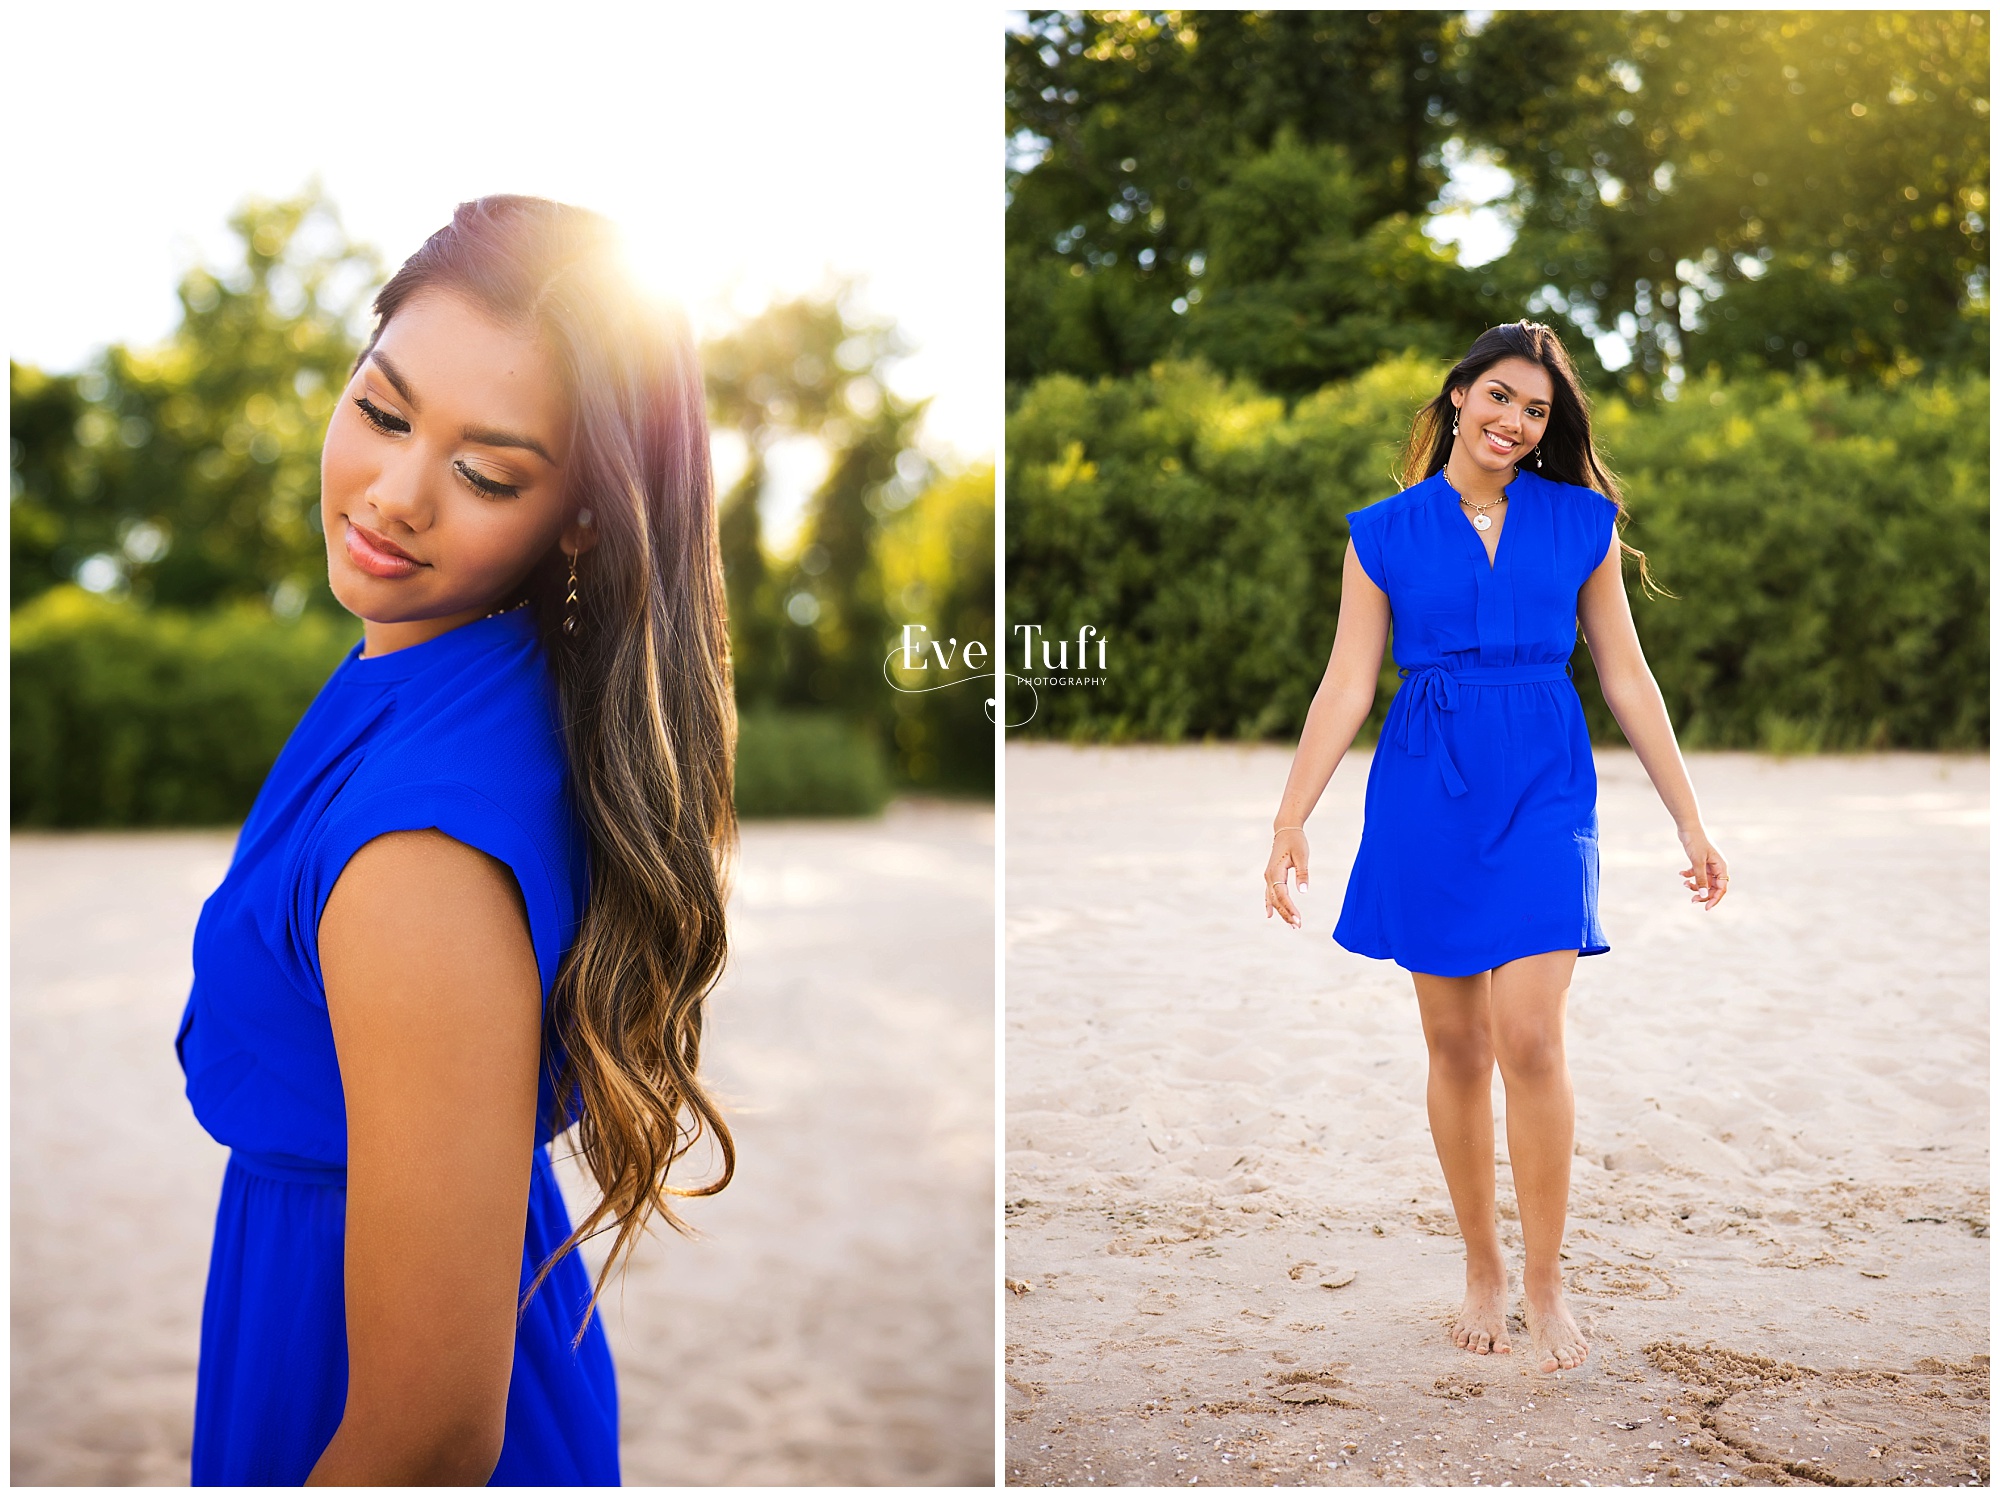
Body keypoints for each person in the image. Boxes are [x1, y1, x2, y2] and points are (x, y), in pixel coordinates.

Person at [173, 195, 737, 1483]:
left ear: (580, 520)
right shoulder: (451, 675)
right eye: (380, 409)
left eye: (487, 473)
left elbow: (426, 1432)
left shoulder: (415, 852)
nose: (394, 495)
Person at [1260, 319, 1729, 1375]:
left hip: (1541, 786)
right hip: (1425, 788)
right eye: (1501, 398)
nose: (1515, 422)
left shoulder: (1580, 524)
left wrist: (1687, 819)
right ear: (1459, 393)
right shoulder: (1381, 533)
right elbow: (1343, 684)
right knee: (1456, 1048)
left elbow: (1624, 677)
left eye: (1536, 410)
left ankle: (1546, 1276)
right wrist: (1291, 817)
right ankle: (1481, 1265)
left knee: (1530, 1037)